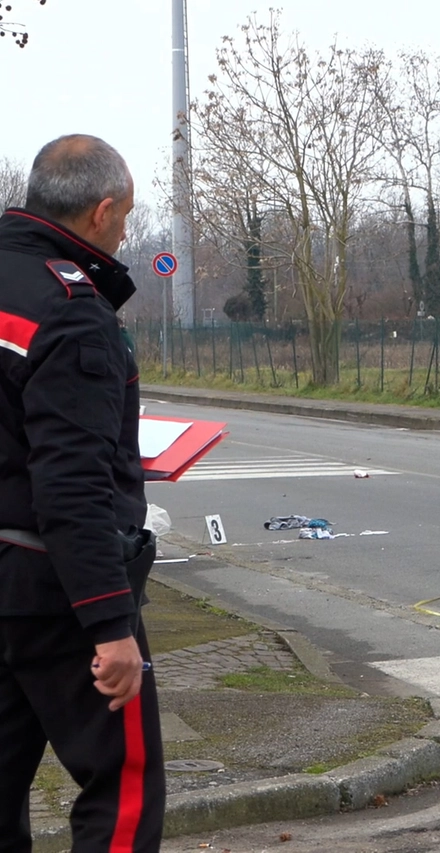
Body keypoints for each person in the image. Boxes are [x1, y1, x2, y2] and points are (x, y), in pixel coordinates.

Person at [0, 135, 164, 850]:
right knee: (121, 783)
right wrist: (110, 625)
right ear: (101, 212)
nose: (125, 232)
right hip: (52, 588)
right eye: (125, 219)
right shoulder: (70, 309)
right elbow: (70, 485)